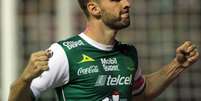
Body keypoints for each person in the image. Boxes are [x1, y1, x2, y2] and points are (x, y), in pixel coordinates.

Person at [8, 0, 199, 101]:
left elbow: (141, 92)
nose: (127, 3)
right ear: (94, 8)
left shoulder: (128, 53)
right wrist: (25, 79)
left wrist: (177, 66)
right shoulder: (64, 53)